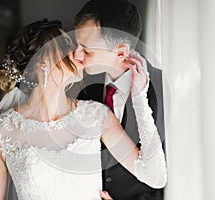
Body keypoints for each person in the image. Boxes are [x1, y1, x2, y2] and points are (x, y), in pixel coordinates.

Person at [0, 18, 166, 200]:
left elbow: (155, 176)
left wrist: (139, 99)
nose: (79, 52)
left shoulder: (97, 116)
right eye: (66, 45)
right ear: (41, 62)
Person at [72, 0, 167, 199]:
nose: (76, 55)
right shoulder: (86, 91)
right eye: (76, 45)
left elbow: (176, 171)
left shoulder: (163, 88)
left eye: (87, 50)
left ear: (121, 52)